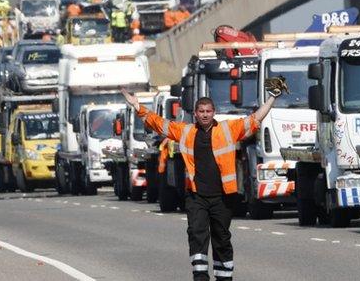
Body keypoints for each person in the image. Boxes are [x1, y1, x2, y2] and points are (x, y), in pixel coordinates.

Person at [120, 85, 282, 281]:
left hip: (222, 197)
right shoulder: (185, 132)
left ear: (214, 113)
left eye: (208, 111)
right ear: (195, 113)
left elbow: (255, 118)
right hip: (196, 196)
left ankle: (224, 277)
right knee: (197, 234)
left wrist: (272, 98)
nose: (205, 115)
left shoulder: (228, 129)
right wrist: (137, 105)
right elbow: (158, 123)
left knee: (221, 238)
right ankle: (200, 276)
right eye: (201, 111)